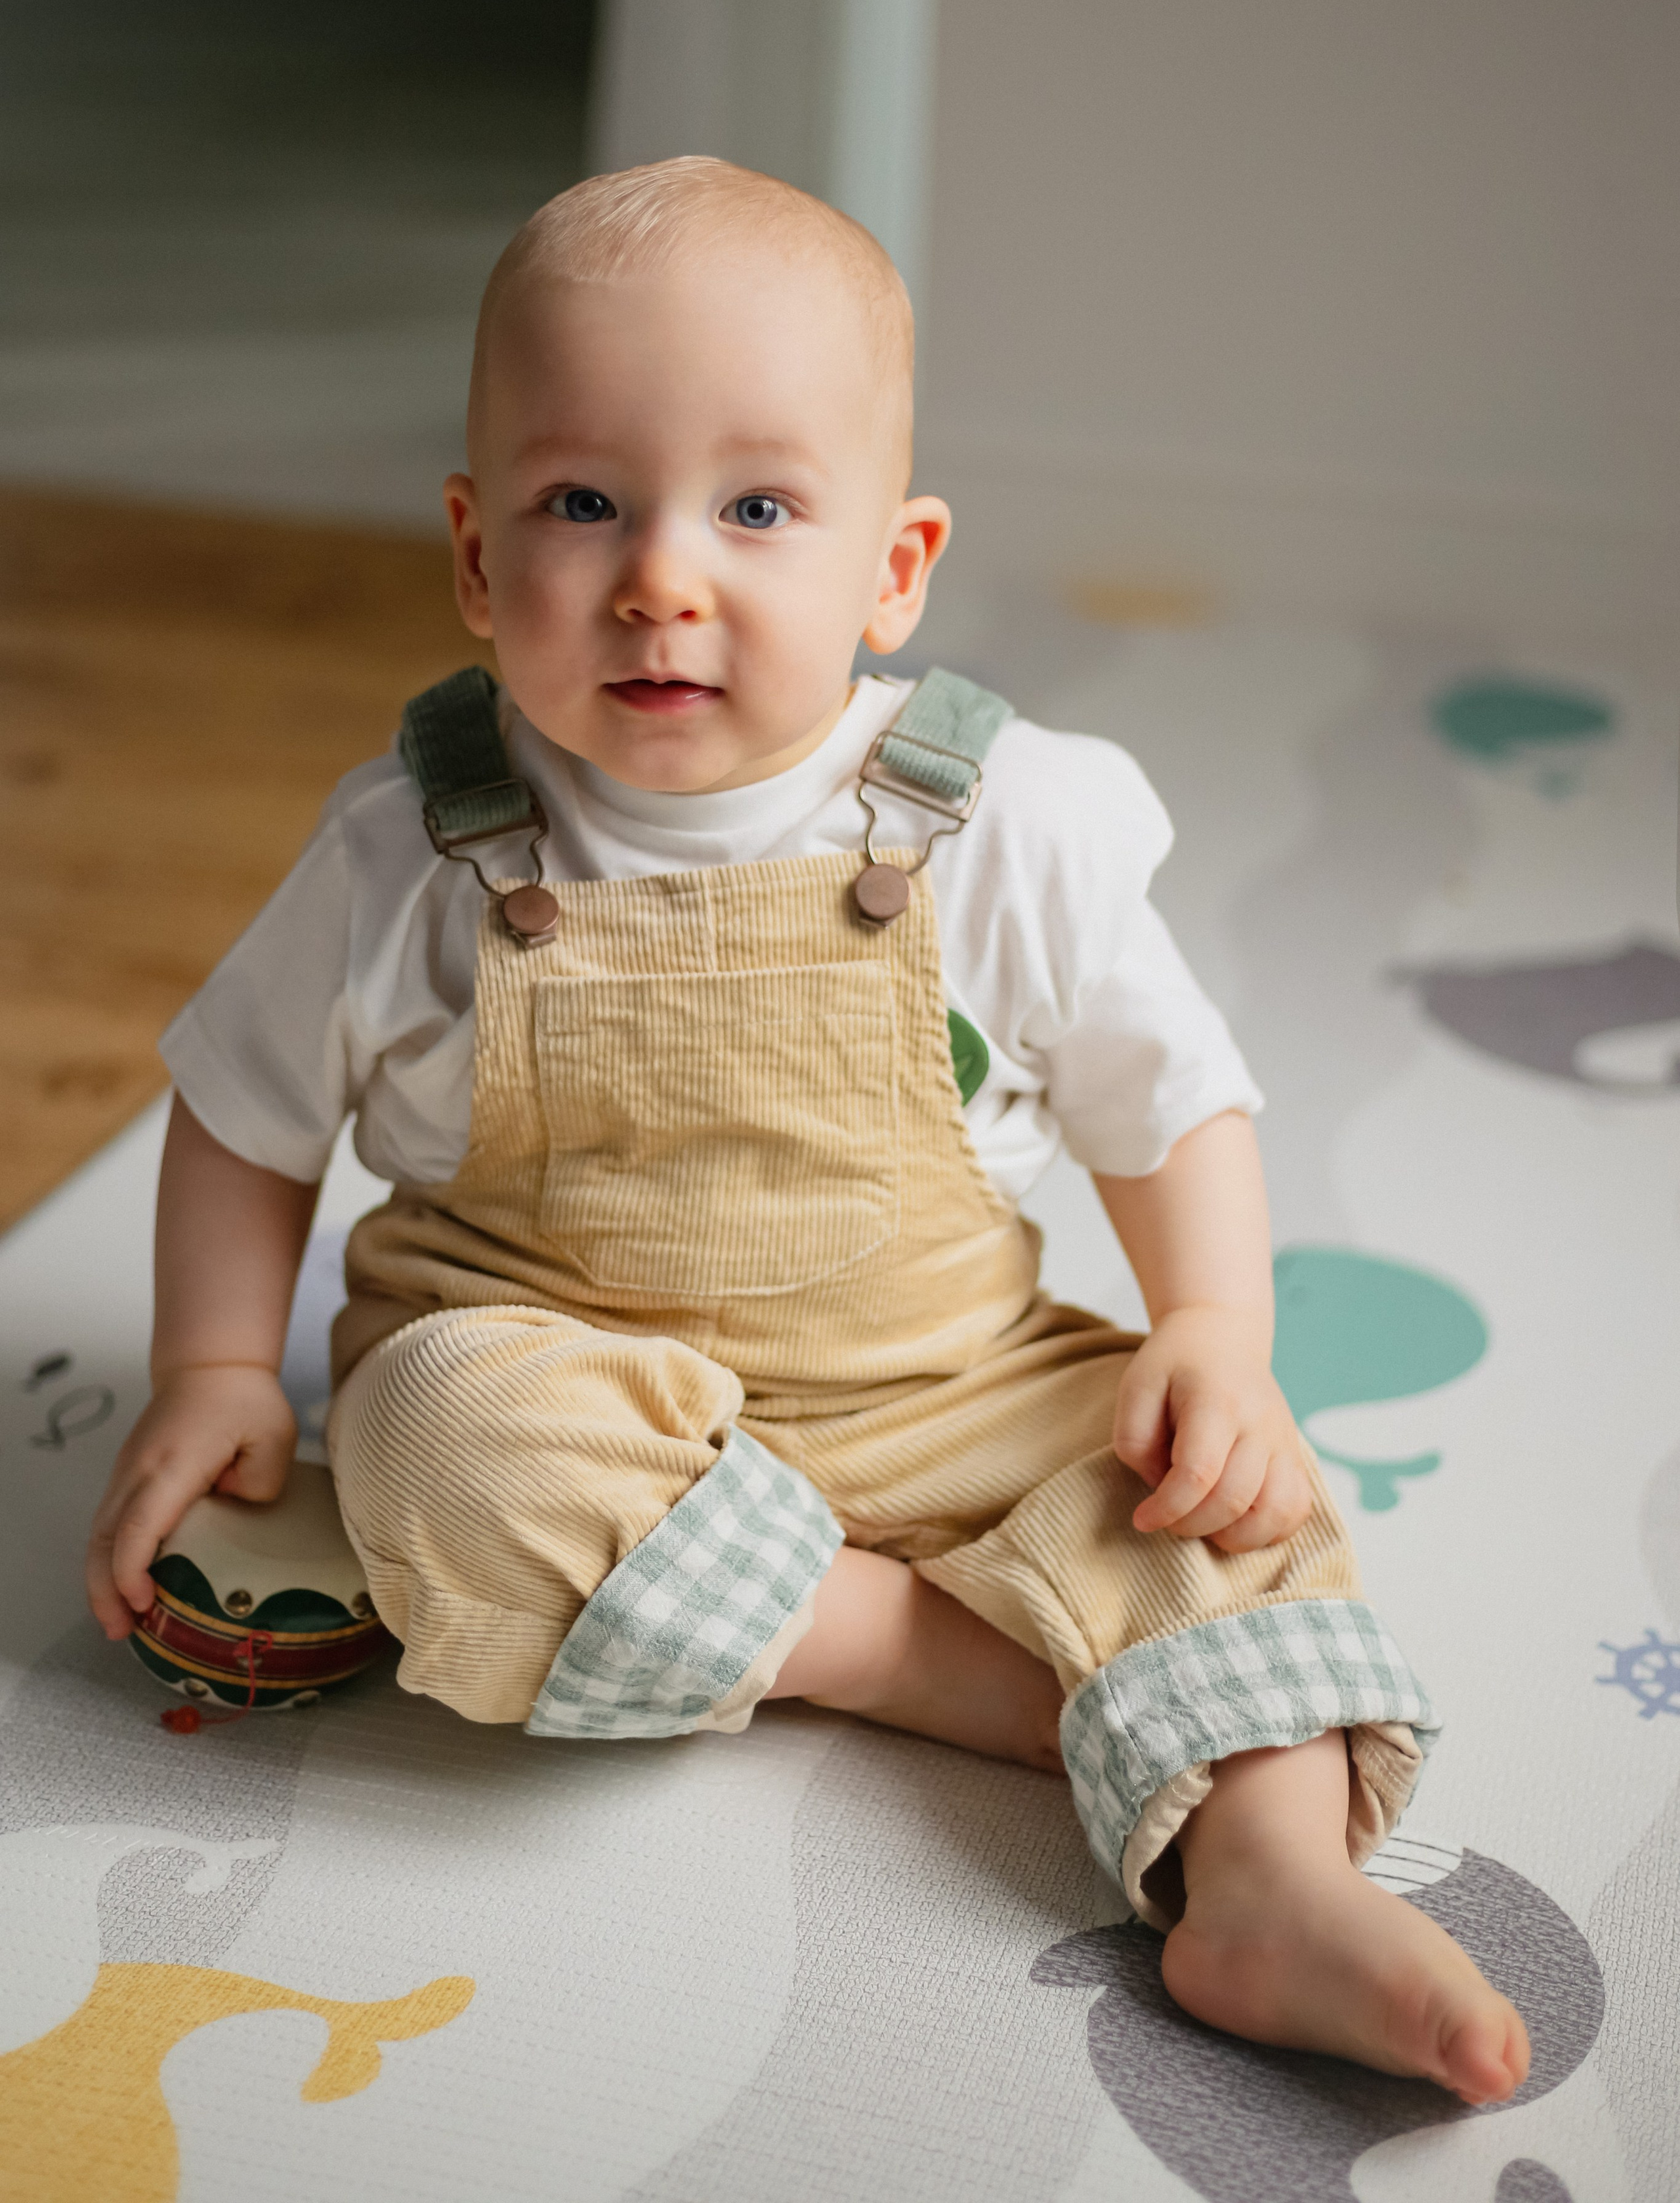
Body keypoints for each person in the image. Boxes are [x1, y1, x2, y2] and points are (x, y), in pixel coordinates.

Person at [86, 156, 1527, 2101]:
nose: (663, 574)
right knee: (429, 1434)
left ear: (894, 568)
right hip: (576, 1384)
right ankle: (932, 1668)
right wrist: (204, 1364)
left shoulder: (997, 818)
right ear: (472, 553)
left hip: (945, 1381)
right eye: (580, 502)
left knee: (1219, 1513)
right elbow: (245, 1117)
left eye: (759, 509)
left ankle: (1267, 1881)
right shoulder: (411, 846)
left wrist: (1218, 1336)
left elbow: (1167, 1092)